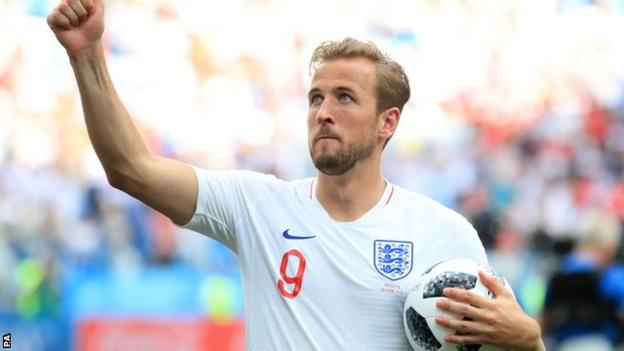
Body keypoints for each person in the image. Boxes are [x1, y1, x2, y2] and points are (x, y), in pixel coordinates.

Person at [47, 0, 545, 349]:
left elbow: (496, 339)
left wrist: (530, 343)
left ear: (387, 123)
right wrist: (85, 53)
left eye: (344, 97)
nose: (323, 111)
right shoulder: (257, 205)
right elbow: (131, 169)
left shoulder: (444, 233)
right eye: (316, 97)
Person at [541, 208, 624, 351]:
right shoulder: (613, 275)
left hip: (562, 345)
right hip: (602, 344)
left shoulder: (557, 271)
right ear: (610, 246)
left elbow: (541, 317)